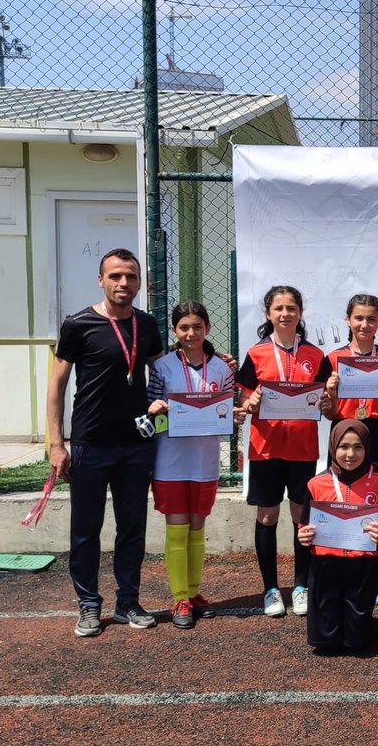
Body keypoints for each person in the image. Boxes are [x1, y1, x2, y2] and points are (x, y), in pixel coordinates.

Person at [47, 248, 165, 637]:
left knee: (132, 528)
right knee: (86, 529)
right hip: (89, 444)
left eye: (130, 277)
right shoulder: (77, 324)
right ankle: (88, 604)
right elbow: (56, 386)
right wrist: (55, 443)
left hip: (136, 444)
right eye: (115, 276)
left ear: (139, 283)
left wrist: (213, 362)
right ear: (101, 280)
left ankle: (128, 601)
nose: (123, 283)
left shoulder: (147, 325)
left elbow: (165, 373)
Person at [236, 285, 334, 619]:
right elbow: (244, 400)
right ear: (268, 313)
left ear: (300, 313)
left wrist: (325, 401)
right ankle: (271, 590)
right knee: (267, 516)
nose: (285, 314)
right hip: (265, 448)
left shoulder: (316, 356)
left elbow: (326, 402)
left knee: (300, 517)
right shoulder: (256, 354)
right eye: (279, 308)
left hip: (303, 448)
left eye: (291, 308)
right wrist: (250, 403)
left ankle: (302, 586)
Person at [146, 301, 235, 629]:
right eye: (184, 328)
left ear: (207, 329)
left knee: (197, 528)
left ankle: (195, 592)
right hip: (170, 460)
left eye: (197, 327)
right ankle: (179, 596)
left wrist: (233, 415)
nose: (191, 333)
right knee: (177, 528)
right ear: (174, 331)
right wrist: (154, 408)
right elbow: (149, 408)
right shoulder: (162, 367)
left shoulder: (223, 369)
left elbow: (228, 412)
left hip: (205, 460)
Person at [324, 293, 378, 607]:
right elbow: (331, 413)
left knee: (376, 503)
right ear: (348, 319)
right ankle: (347, 571)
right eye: (358, 318)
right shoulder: (333, 359)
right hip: (345, 432)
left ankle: (375, 576)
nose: (364, 324)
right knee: (346, 501)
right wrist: (331, 392)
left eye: (371, 319)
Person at [297, 419, 378, 655]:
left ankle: (361, 623)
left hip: (363, 564)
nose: (351, 454)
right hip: (326, 564)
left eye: (358, 447)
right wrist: (304, 536)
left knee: (355, 644)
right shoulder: (316, 483)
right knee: (324, 644)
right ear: (332, 448)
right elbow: (304, 526)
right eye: (343, 447)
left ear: (367, 448)